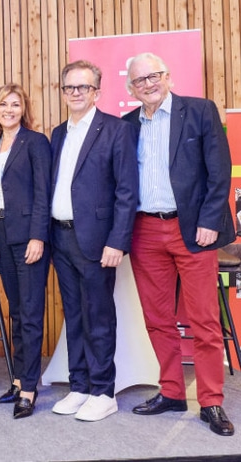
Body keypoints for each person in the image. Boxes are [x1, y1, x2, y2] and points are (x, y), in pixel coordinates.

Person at [123, 52, 235, 436]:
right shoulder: (127, 125)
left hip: (193, 231)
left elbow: (220, 173)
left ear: (167, 76)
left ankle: (211, 401)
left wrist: (208, 222)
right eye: (139, 80)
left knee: (203, 320)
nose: (148, 84)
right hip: (145, 232)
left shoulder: (200, 111)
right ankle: (171, 391)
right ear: (131, 88)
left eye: (153, 76)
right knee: (157, 319)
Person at [49, 60, 139, 422]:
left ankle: (104, 391)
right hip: (61, 237)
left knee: (98, 316)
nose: (75, 93)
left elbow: (127, 191)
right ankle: (80, 386)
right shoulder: (58, 134)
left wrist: (117, 241)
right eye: (69, 87)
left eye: (82, 87)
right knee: (73, 316)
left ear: (97, 92)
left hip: (98, 241)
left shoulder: (115, 131)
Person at [0, 84, 51, 419]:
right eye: (3, 104)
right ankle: (19, 380)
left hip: (27, 237)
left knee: (31, 313)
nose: (9, 109)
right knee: (16, 311)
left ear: (24, 109)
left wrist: (38, 236)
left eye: (15, 104)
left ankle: (30, 389)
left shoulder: (35, 142)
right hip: (0, 234)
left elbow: (43, 193)